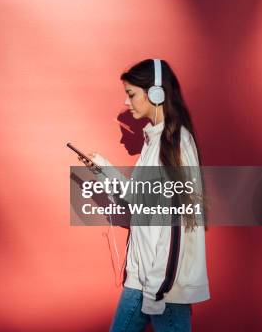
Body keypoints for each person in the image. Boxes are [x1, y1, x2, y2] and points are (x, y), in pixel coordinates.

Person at [80, 59, 209, 332]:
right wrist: (104, 170)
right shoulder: (154, 141)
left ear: (156, 93)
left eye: (131, 94)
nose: (127, 103)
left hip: (163, 288)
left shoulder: (175, 143)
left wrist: (158, 289)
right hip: (141, 280)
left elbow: (176, 226)